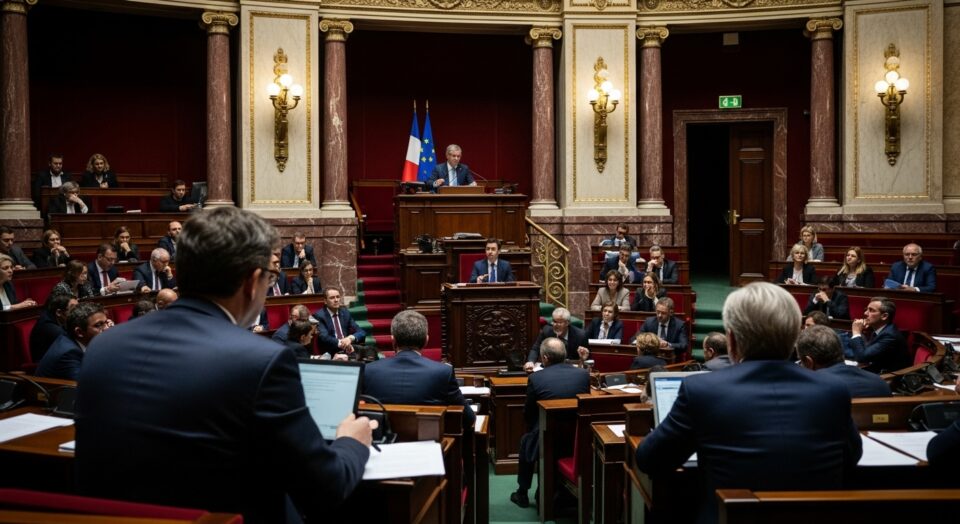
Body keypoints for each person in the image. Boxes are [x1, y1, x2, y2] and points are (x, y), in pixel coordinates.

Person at [75, 206, 376, 523]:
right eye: (270, 277)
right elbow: (324, 488)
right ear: (253, 280)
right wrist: (351, 442)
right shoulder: (261, 361)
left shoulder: (103, 347)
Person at [635, 282, 862, 524]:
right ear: (795, 337)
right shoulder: (833, 391)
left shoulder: (702, 390)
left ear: (731, 341)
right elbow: (851, 456)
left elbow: (650, 459)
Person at [510, 337, 590, 508]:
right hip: (577, 439)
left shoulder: (536, 378)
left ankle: (522, 492)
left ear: (545, 358)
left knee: (527, 440)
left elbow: (529, 413)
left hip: (547, 437)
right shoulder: (583, 375)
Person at [363, 309, 475, 431]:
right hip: (428, 443)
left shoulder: (368, 371)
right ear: (426, 340)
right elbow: (468, 419)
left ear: (393, 340)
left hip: (382, 445)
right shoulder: (442, 372)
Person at [796, 325, 892, 398]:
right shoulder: (881, 384)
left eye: (802, 363)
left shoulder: (809, 392)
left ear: (809, 362)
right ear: (840, 350)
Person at [35, 302, 108, 380]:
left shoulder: (75, 340)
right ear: (79, 332)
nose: (106, 328)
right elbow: (85, 385)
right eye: (98, 325)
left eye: (106, 323)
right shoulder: (69, 353)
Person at [848, 297, 911, 373]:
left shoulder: (890, 335)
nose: (865, 313)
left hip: (887, 378)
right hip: (874, 369)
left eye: (871, 310)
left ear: (884, 316)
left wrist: (856, 331)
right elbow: (867, 352)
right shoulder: (880, 329)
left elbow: (862, 357)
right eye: (867, 309)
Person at [313, 287, 366, 357]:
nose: (336, 300)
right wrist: (343, 343)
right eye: (332, 298)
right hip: (331, 352)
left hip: (348, 349)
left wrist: (349, 338)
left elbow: (361, 332)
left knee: (371, 352)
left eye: (338, 297)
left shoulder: (345, 312)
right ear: (325, 301)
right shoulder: (319, 315)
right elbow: (324, 338)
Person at [30, 293, 78, 362]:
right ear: (59, 312)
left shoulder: (54, 319)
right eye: (73, 309)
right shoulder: (52, 330)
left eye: (78, 308)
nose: (78, 312)